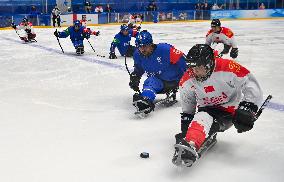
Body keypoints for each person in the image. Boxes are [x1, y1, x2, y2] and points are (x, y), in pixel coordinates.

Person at [172, 44, 263, 167]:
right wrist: (186, 129)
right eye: (192, 68)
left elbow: (249, 82)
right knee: (203, 117)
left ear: (209, 64)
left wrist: (248, 108)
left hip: (232, 110)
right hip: (207, 109)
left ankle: (193, 140)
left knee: (204, 117)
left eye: (198, 67)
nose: (195, 71)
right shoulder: (187, 79)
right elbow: (188, 103)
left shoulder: (228, 67)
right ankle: (192, 142)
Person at [129, 30, 187, 114]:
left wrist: (187, 81)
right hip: (157, 81)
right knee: (149, 81)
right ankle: (146, 100)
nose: (142, 49)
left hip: (175, 80)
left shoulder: (166, 49)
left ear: (151, 44)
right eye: (139, 46)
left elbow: (183, 62)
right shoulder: (137, 55)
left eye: (145, 46)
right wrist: (135, 77)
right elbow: (139, 69)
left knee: (151, 80)